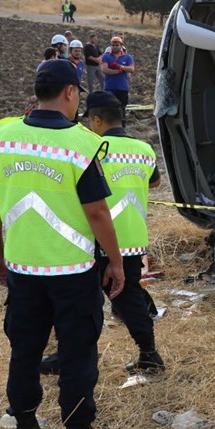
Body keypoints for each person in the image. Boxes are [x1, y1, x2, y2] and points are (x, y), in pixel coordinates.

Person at [0, 59, 125, 429]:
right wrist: (115, 260)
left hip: (23, 271)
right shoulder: (81, 144)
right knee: (78, 354)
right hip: (72, 274)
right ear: (70, 93)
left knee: (24, 351)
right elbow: (97, 212)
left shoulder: (4, 135)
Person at [83, 91, 164, 373]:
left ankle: (75, 356)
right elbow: (154, 182)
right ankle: (148, 352)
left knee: (89, 299)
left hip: (101, 237)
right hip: (133, 236)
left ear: (96, 120)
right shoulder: (144, 149)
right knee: (128, 296)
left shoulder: (93, 147)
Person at [100, 36, 134, 108]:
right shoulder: (106, 56)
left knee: (121, 109)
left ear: (121, 46)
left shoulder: (128, 57)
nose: (115, 47)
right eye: (113, 45)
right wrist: (118, 71)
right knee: (110, 110)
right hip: (109, 88)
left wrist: (121, 67)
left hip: (123, 88)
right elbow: (104, 70)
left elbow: (131, 69)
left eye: (117, 45)